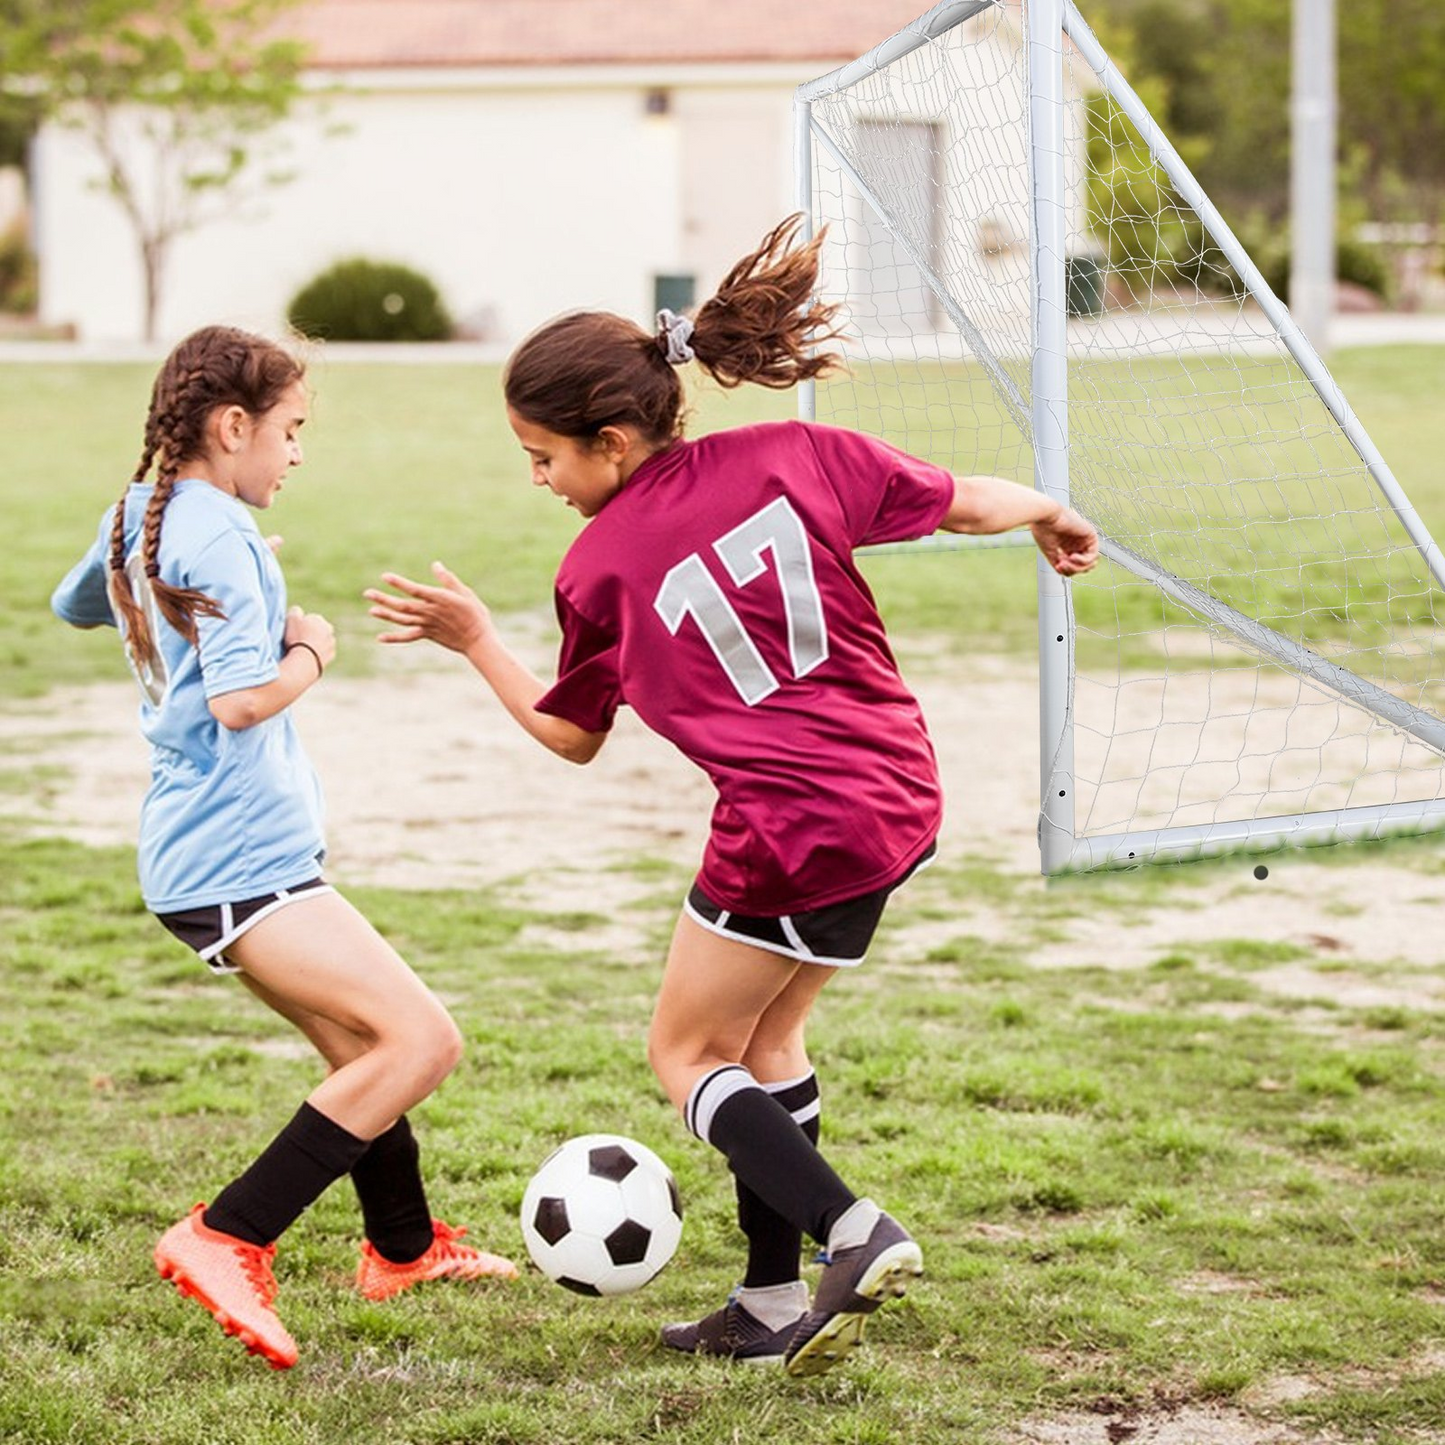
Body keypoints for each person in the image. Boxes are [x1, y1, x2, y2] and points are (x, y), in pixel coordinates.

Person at [366, 217, 1099, 1377]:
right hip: (898, 795)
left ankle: (851, 1231)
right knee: (768, 1035)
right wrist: (1049, 511)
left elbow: (568, 735)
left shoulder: (596, 565)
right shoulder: (795, 455)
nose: (539, 479)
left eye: (543, 456)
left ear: (610, 440)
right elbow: (962, 499)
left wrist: (472, 641)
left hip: (789, 829)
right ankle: (765, 1300)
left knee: (684, 1046)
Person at [51, 325, 517, 1372]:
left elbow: (71, 603)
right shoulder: (216, 535)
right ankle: (226, 1234)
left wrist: (142, 572)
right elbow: (238, 700)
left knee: (364, 1051)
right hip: (238, 860)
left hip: (202, 854)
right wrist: (308, 648)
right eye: (290, 430)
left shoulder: (141, 508)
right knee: (421, 1041)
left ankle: (401, 1247)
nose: (297, 453)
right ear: (231, 426)